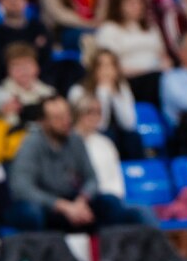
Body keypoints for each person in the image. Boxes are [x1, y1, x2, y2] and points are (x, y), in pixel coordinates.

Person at [9, 95, 147, 231]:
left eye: (67, 115)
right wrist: (62, 206)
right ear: (43, 122)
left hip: (75, 202)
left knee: (111, 202)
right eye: (58, 118)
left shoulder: (75, 139)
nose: (66, 121)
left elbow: (92, 179)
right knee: (31, 212)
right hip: (47, 205)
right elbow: (22, 188)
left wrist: (82, 201)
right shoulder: (31, 144)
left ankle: (117, 244)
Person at [92, 0, 167, 106]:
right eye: (130, 2)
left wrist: (166, 66)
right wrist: (146, 70)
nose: (136, 5)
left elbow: (163, 56)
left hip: (158, 76)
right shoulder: (109, 29)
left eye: (139, 1)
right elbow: (109, 66)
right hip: (128, 80)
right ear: (118, 5)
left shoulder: (151, 28)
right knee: (156, 80)